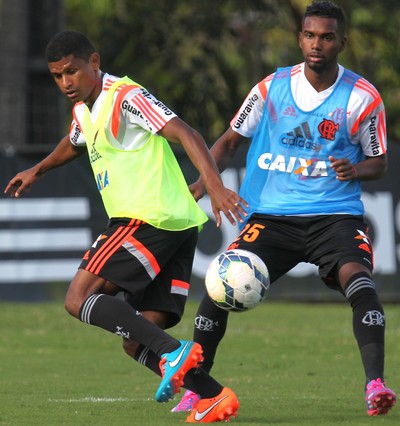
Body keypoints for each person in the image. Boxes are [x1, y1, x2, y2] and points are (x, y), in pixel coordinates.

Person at [172, 0, 397, 417]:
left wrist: (356, 169)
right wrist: (204, 186)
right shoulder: (270, 88)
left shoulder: (362, 98)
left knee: (359, 282)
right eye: (310, 36)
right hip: (273, 218)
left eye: (327, 37)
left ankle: (375, 385)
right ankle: (198, 385)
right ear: (300, 38)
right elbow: (229, 141)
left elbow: (379, 162)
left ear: (341, 42)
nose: (317, 44)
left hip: (334, 217)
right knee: (220, 286)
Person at [4, 30, 243, 423]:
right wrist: (38, 169)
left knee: (78, 299)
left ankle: (174, 353)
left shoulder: (126, 97)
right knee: (136, 340)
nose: (66, 82)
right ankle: (213, 396)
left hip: (148, 217)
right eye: (57, 76)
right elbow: (75, 141)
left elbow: (186, 132)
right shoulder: (84, 107)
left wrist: (214, 186)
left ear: (94, 63)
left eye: (73, 72)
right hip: (177, 225)